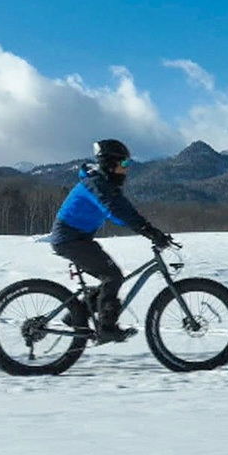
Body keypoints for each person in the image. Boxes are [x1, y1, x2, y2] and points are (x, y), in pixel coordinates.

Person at [49, 138, 173, 342]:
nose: (127, 169)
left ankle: (76, 314)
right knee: (112, 276)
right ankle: (106, 327)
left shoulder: (105, 184)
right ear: (110, 163)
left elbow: (126, 209)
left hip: (78, 239)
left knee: (111, 276)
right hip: (69, 240)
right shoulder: (95, 184)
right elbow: (114, 211)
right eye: (124, 164)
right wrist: (147, 231)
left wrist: (151, 229)